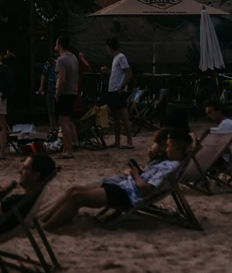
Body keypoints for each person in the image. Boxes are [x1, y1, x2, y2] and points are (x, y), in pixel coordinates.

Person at [36, 130, 189, 229]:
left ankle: (46, 227)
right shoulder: (169, 163)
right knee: (73, 189)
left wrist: (135, 174)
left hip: (127, 195)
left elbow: (144, 187)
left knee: (77, 196)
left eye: (168, 146)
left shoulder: (169, 167)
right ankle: (39, 218)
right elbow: (192, 142)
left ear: (176, 148)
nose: (165, 148)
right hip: (124, 188)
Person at [201, 98, 232, 170]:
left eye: (210, 113)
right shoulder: (230, 123)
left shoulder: (224, 125)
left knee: (202, 159)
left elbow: (218, 149)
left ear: (218, 112)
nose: (207, 116)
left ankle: (208, 179)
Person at [53, 37, 81, 156]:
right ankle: (67, 148)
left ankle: (68, 150)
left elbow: (62, 79)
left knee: (63, 122)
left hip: (64, 93)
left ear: (59, 45)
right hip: (73, 91)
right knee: (68, 120)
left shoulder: (61, 60)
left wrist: (57, 94)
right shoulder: (74, 58)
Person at [104, 37, 133, 150]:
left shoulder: (121, 57)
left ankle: (130, 141)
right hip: (113, 90)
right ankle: (117, 141)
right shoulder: (115, 59)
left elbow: (129, 73)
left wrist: (122, 87)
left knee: (124, 116)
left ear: (110, 48)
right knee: (115, 117)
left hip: (118, 90)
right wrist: (109, 72)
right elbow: (118, 73)